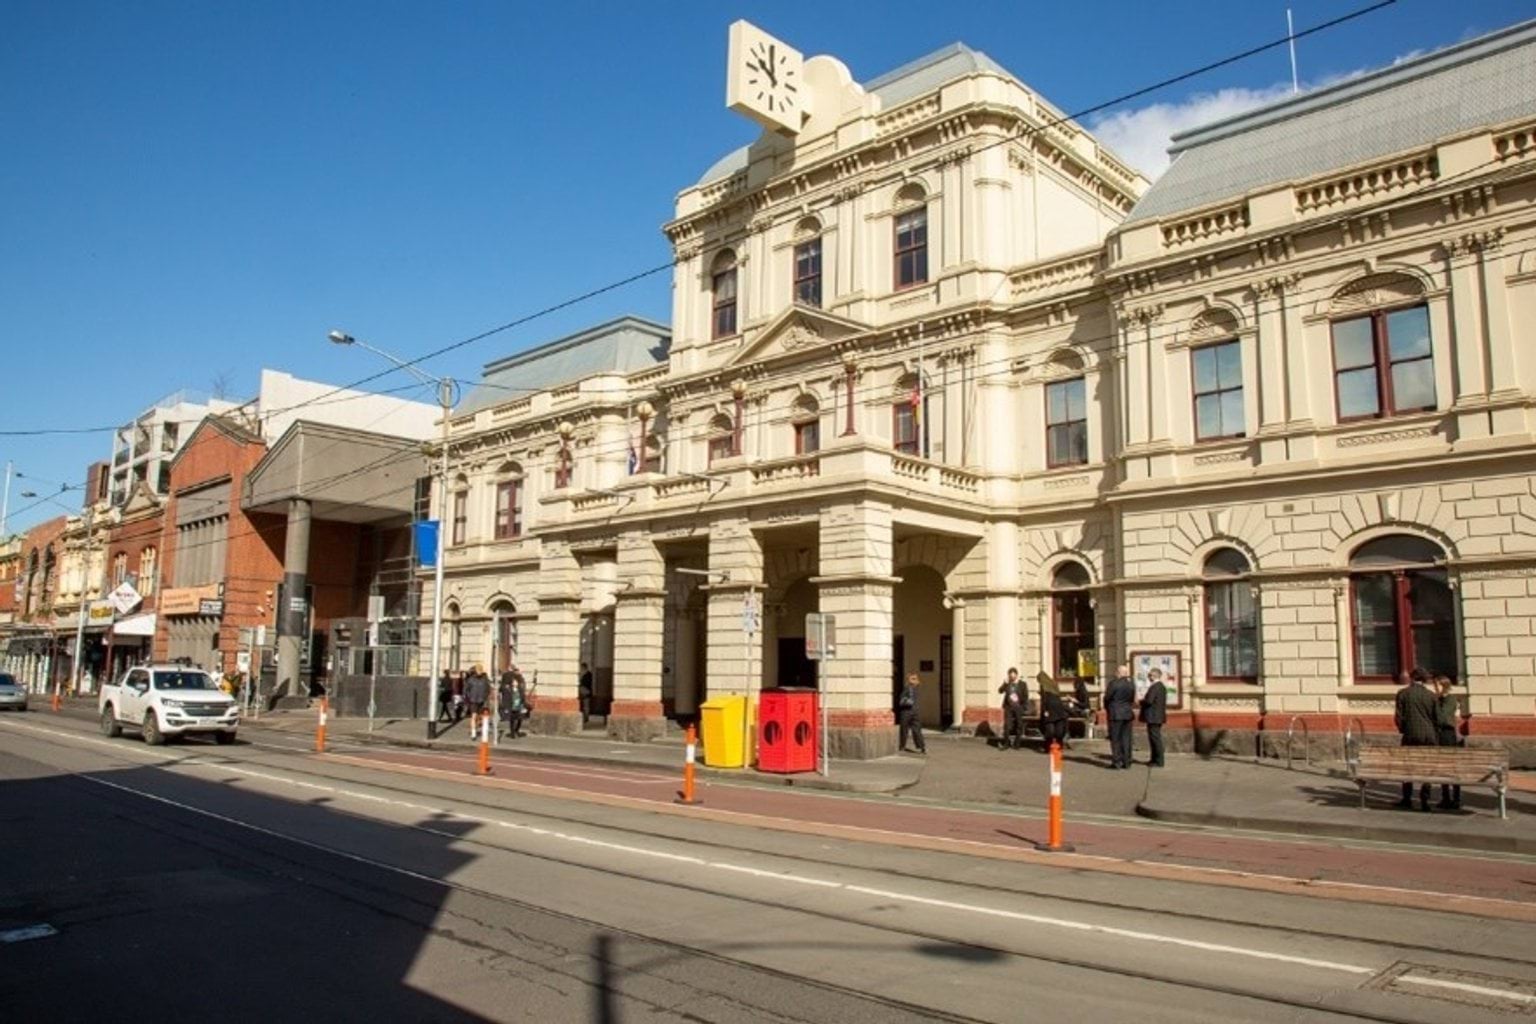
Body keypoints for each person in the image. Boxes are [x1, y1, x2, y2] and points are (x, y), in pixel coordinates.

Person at [1394, 667, 1439, 811]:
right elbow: (1437, 717)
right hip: (1429, 735)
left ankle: (1407, 798)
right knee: (1427, 767)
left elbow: (1398, 717)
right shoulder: (1431, 696)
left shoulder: (1403, 694)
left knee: (1408, 766)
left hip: (1410, 734)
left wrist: (1404, 729)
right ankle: (1425, 800)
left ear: (1412, 678)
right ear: (1425, 680)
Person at [1433, 674, 1462, 810]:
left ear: (1444, 685)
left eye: (1437, 685)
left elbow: (1443, 718)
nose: (1434, 688)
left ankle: (1456, 798)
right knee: (1441, 766)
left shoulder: (1450, 699)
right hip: (1439, 734)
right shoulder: (1438, 700)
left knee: (1452, 766)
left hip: (1447, 734)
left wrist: (1434, 707)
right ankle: (1445, 797)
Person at [1104, 664, 1136, 769]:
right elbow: (1131, 699)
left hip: (1115, 713)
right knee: (1127, 738)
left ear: (1118, 673)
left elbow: (1107, 697)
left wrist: (1107, 708)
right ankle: (1127, 762)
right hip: (1127, 713)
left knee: (1116, 738)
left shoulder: (1113, 684)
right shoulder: (1131, 684)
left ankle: (1117, 762)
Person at [1140, 667, 1168, 768]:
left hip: (1153, 716)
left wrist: (1141, 701)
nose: (1148, 677)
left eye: (1150, 675)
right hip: (1157, 716)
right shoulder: (1161, 686)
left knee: (1155, 739)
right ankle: (1154, 759)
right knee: (1154, 738)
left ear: (1154, 675)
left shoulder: (1155, 687)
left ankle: (1159, 761)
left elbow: (1149, 701)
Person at [1036, 671, 1069, 751]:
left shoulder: (1043, 687)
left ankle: (1048, 747)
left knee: (1049, 730)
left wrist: (1043, 712)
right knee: (1059, 729)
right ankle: (1059, 746)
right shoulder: (1054, 684)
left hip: (1050, 709)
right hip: (1059, 709)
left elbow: (1044, 701)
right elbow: (1059, 696)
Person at [998, 667, 1027, 750]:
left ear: (1016, 675)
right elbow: (1000, 691)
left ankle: (1017, 743)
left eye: (1013, 676)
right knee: (1007, 725)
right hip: (1008, 707)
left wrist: (1023, 707)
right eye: (1010, 676)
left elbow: (1025, 696)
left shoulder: (1022, 684)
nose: (1012, 678)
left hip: (1018, 707)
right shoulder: (1007, 684)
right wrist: (1005, 684)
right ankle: (1006, 743)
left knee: (1019, 725)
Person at [897, 672, 926, 754]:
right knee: (904, 730)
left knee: (917, 730)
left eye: (915, 678)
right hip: (906, 712)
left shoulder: (917, 688)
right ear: (908, 680)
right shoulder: (906, 688)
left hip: (915, 712)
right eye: (912, 679)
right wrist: (907, 701)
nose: (915, 680)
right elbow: (901, 700)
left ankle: (922, 747)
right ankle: (902, 746)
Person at [499, 666, 525, 739]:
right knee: (512, 719)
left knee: (519, 719)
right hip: (512, 705)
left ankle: (516, 730)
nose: (515, 683)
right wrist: (506, 706)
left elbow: (522, 697)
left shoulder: (520, 688)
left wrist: (523, 704)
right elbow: (505, 695)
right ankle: (512, 732)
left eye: (516, 682)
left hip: (519, 705)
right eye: (514, 682)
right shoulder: (509, 689)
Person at [578, 662, 594, 727]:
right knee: (585, 705)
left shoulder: (588, 675)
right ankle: (585, 717)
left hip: (586, 691)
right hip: (586, 691)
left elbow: (585, 683)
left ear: (584, 668)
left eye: (581, 668)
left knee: (586, 705)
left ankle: (586, 717)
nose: (581, 669)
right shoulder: (587, 674)